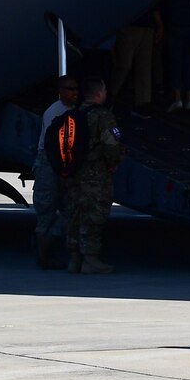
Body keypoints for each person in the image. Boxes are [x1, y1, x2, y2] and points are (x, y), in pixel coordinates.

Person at [62, 76, 123, 274]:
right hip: (95, 175)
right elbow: (111, 146)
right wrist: (114, 163)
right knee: (94, 214)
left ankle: (74, 259)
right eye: (104, 90)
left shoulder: (73, 114)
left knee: (76, 213)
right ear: (98, 94)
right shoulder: (103, 117)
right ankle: (90, 259)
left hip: (73, 173)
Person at [33, 74, 80, 268]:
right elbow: (55, 146)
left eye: (76, 90)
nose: (75, 93)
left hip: (60, 163)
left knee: (68, 209)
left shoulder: (71, 111)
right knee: (47, 211)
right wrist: (62, 172)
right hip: (50, 163)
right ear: (60, 91)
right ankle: (44, 256)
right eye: (70, 90)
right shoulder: (55, 113)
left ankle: (48, 247)